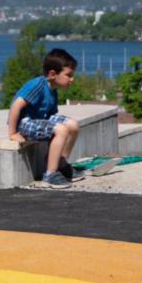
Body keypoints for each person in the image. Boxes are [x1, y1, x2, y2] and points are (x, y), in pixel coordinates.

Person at [7, 48, 83, 189]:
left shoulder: (53, 90)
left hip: (39, 120)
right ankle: (50, 175)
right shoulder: (38, 85)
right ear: (53, 74)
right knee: (60, 130)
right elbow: (16, 105)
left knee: (73, 125)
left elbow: (51, 116)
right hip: (25, 123)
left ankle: (61, 163)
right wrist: (12, 133)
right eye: (68, 75)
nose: (72, 79)